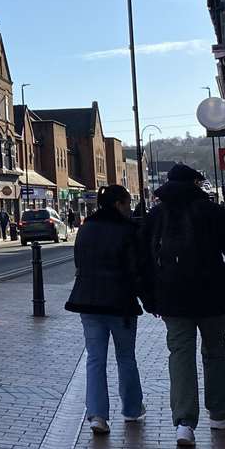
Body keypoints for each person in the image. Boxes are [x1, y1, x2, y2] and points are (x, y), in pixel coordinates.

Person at [139, 163, 225, 448]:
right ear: (195, 184)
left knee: (180, 356)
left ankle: (184, 423)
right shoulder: (211, 212)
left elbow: (142, 260)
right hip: (212, 297)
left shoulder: (157, 214)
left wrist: (150, 299)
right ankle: (219, 414)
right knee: (215, 352)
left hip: (172, 299)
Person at [65, 185, 145, 434]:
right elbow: (136, 271)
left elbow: (79, 261)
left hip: (87, 302)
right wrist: (151, 300)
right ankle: (132, 409)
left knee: (95, 359)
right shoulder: (128, 230)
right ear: (118, 204)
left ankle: (98, 415)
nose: (130, 208)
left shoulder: (85, 228)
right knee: (126, 357)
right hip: (120, 304)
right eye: (127, 203)